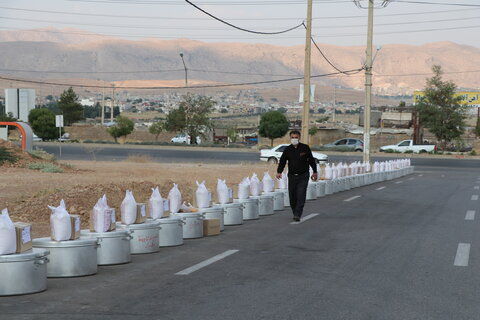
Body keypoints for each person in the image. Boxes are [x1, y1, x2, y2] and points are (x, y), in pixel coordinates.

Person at [276, 130, 318, 222]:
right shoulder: (288, 150)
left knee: (301, 194)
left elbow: (311, 160)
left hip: (303, 175)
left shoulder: (305, 148)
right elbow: (282, 161)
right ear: (290, 138)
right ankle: (295, 212)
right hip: (292, 176)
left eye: (296, 137)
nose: (294, 139)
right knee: (292, 197)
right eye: (292, 137)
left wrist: (315, 172)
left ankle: (298, 214)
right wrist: (279, 172)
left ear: (299, 137)